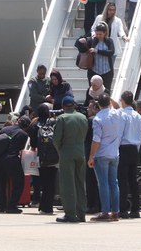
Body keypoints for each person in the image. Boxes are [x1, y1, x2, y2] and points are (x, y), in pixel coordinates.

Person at [88, 93, 123, 222]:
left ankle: (105, 211)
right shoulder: (116, 114)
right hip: (114, 153)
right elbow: (118, 106)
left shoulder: (98, 119)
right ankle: (115, 211)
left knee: (103, 183)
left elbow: (96, 140)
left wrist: (91, 156)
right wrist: (110, 98)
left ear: (98, 105)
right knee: (114, 183)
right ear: (109, 102)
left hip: (102, 153)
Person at [53, 95, 88, 223]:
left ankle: (70, 213)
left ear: (63, 107)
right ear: (74, 105)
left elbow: (56, 140)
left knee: (67, 183)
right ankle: (81, 212)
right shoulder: (83, 117)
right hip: (80, 151)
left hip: (67, 151)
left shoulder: (62, 118)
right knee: (80, 182)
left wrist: (60, 150)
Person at [0, 115, 31, 214]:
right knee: (19, 182)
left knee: (2, 183)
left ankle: (1, 206)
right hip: (12, 159)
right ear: (26, 126)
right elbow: (20, 149)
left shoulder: (5, 129)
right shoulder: (23, 134)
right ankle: (11, 205)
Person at [117, 90, 141, 219]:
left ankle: (123, 209)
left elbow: (119, 134)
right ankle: (135, 209)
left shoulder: (121, 115)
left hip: (123, 147)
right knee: (133, 181)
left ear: (123, 100)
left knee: (122, 181)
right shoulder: (138, 116)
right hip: (134, 148)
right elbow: (140, 134)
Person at [28, 104, 57, 215]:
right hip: (54, 156)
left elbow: (33, 144)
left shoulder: (35, 125)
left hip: (42, 157)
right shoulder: (54, 122)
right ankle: (49, 206)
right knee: (52, 182)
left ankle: (45, 207)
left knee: (44, 183)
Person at [87, 24, 115, 91]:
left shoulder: (109, 41)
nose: (99, 36)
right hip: (94, 70)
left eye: (100, 34)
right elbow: (80, 43)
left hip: (107, 70)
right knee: (93, 91)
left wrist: (97, 51)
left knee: (106, 90)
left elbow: (111, 52)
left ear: (105, 33)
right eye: (97, 34)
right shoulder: (93, 40)